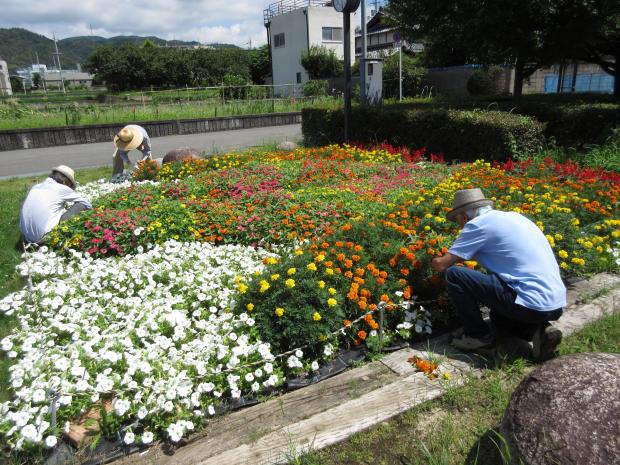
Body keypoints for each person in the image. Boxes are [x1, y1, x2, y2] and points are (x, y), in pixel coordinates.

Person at [431, 188, 566, 361]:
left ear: (464, 216)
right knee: (497, 316)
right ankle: (540, 332)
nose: (459, 226)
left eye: (458, 221)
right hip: (555, 305)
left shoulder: (477, 224)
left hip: (531, 303)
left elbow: (442, 265)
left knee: (455, 275)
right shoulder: (514, 217)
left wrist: (433, 259)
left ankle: (477, 337)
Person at [19, 165, 92, 244]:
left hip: (26, 238)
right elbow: (87, 204)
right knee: (81, 205)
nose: (70, 189)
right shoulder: (61, 187)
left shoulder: (35, 187)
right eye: (70, 186)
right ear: (65, 182)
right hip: (45, 238)